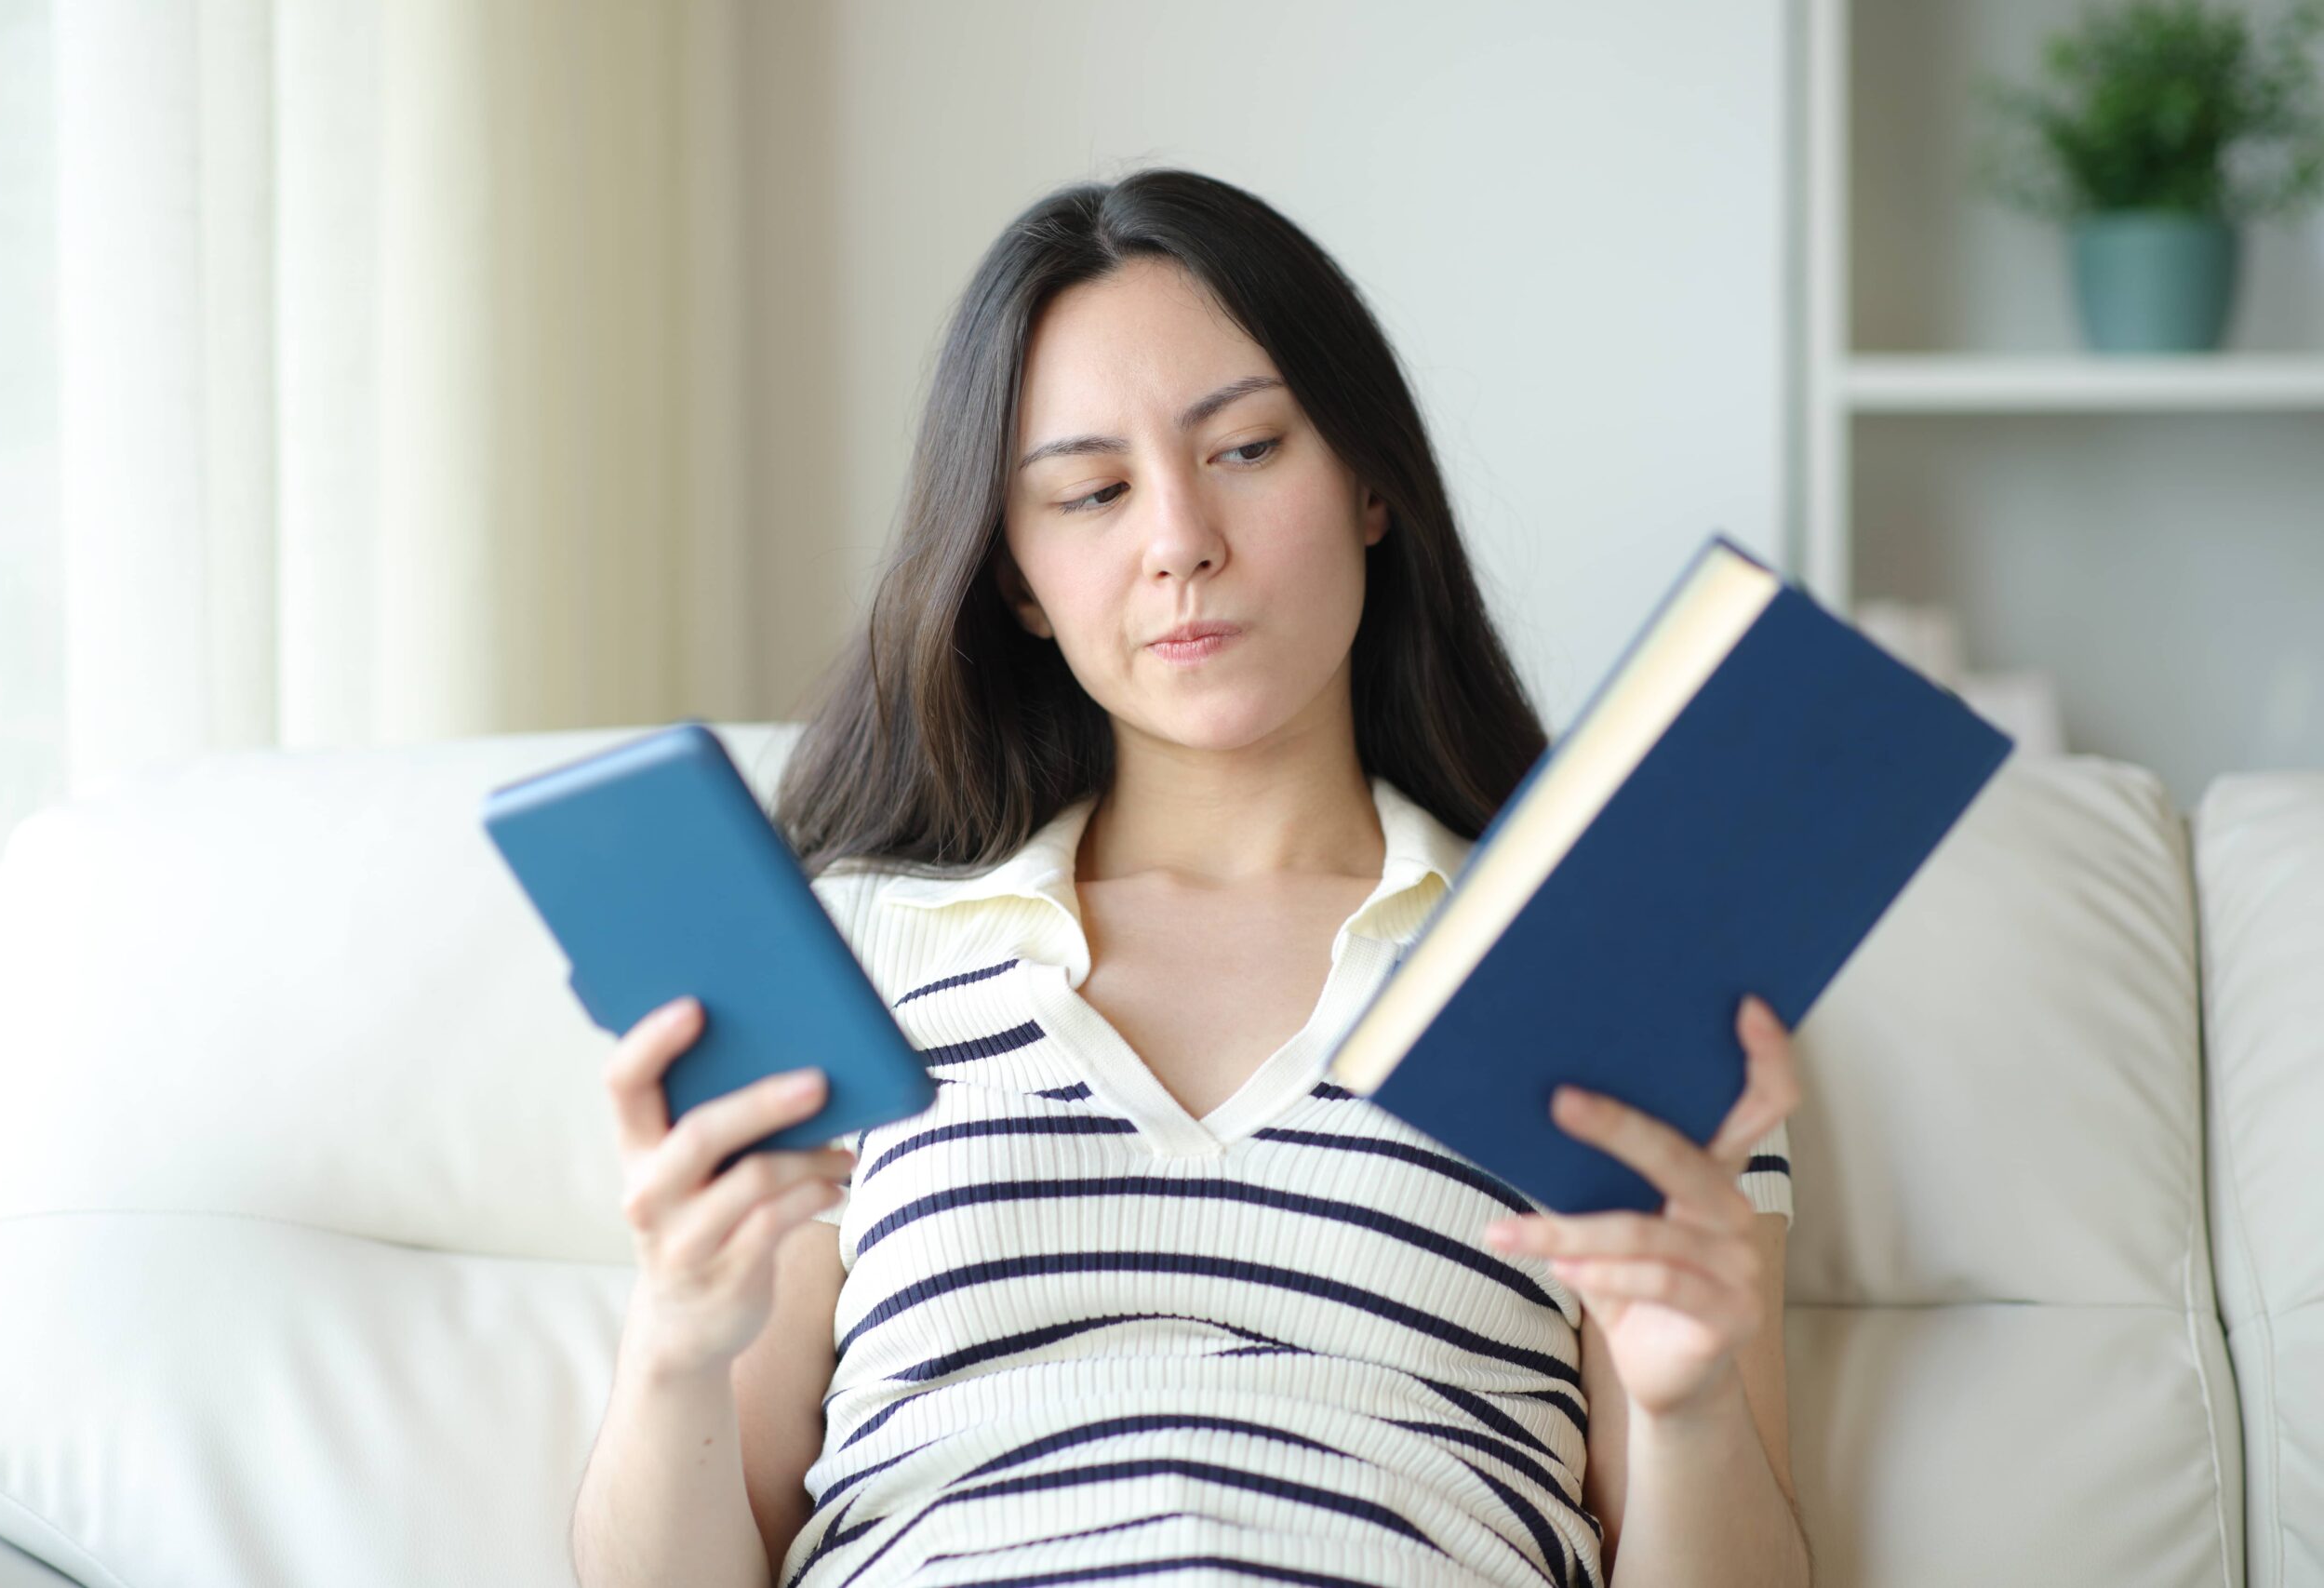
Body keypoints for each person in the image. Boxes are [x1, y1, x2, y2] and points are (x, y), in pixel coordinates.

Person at [571, 167, 1808, 1588]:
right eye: (1092, 492)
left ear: (1370, 487)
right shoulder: (856, 953)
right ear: (1019, 581)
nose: (1179, 543)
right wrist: (672, 1338)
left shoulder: (1604, 976)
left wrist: (1691, 1402)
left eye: (1246, 450)